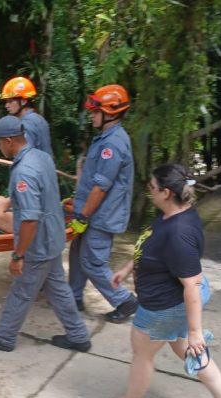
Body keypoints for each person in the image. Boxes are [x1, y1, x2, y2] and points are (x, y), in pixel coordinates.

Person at [101, 164, 221, 398]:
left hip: (164, 307)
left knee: (143, 353)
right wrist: (128, 268)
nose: (149, 193)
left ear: (166, 192)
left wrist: (196, 330)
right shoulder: (173, 214)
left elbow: (191, 285)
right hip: (172, 304)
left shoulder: (179, 233)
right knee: (188, 349)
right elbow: (154, 249)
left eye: (152, 188)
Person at [0, 116, 91, 353]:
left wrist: (18, 255)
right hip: (53, 237)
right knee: (58, 289)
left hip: (37, 245)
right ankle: (78, 336)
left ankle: (4, 336)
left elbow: (29, 219)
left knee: (21, 290)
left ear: (9, 141)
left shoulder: (24, 172)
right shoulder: (42, 157)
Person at [66, 84, 137, 322]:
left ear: (111, 112)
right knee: (77, 252)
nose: (92, 115)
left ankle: (124, 301)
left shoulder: (113, 144)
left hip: (100, 215)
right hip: (91, 211)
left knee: (92, 261)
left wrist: (83, 216)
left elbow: (101, 186)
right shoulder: (105, 137)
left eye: (96, 111)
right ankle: (73, 296)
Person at [0, 76, 53, 234]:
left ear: (23, 101)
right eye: (5, 102)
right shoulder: (38, 120)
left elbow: (22, 157)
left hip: (33, 188)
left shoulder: (27, 124)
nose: (7, 105)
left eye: (11, 101)